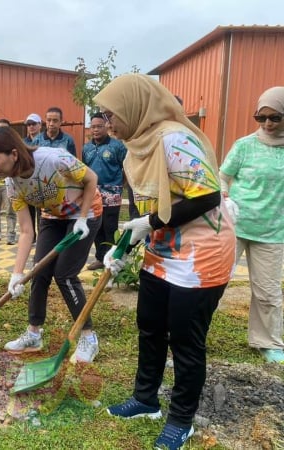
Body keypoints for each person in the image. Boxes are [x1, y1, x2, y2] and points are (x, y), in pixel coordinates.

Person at [96, 74, 235, 450]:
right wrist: (121, 246)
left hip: (200, 255)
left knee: (186, 341)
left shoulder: (174, 139)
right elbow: (139, 206)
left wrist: (150, 223)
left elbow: (206, 197)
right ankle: (145, 400)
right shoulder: (134, 145)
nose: (107, 123)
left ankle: (181, 420)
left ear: (133, 108)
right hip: (163, 251)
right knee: (150, 327)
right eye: (104, 116)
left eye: (111, 115)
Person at [0, 127, 103, 363]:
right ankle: (34, 333)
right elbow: (27, 230)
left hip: (85, 214)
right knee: (38, 271)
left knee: (65, 274)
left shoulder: (53, 159)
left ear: (13, 154)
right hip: (52, 217)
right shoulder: (12, 183)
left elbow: (91, 179)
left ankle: (89, 337)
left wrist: (82, 217)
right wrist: (16, 274)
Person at [219, 86, 284, 364]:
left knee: (268, 291)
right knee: (214, 282)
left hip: (273, 231)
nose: (267, 124)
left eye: (275, 118)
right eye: (261, 117)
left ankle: (268, 341)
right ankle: (192, 332)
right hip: (235, 227)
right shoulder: (244, 146)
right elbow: (222, 176)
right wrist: (224, 199)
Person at [83, 112, 127, 270]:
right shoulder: (86, 148)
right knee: (97, 228)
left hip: (112, 193)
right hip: (93, 194)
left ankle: (113, 261)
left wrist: (118, 185)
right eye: (93, 126)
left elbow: (126, 167)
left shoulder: (117, 146)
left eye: (99, 126)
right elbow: (84, 171)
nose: (96, 129)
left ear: (106, 127)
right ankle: (101, 259)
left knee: (110, 228)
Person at [22, 113, 43, 243]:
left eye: (34, 124)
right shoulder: (23, 142)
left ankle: (42, 237)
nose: (31, 127)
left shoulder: (44, 140)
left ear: (40, 125)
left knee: (42, 211)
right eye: (29, 124)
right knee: (29, 212)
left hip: (42, 180)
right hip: (28, 181)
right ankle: (31, 237)